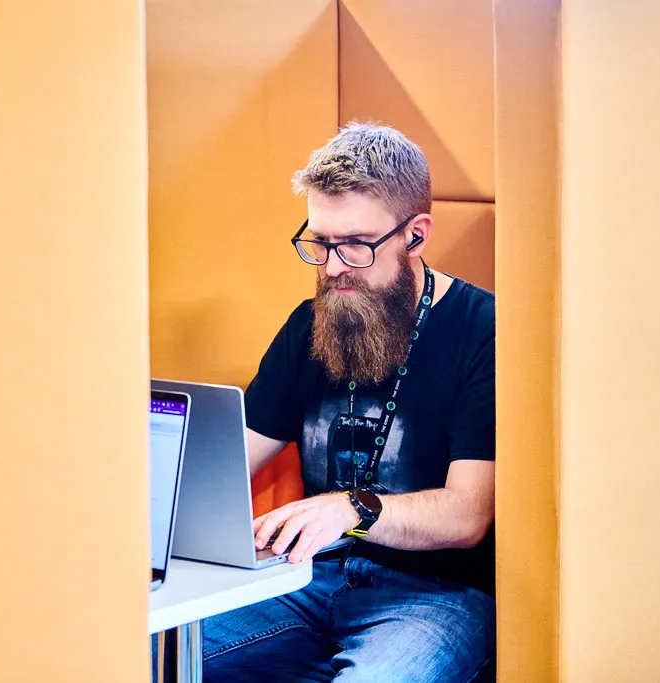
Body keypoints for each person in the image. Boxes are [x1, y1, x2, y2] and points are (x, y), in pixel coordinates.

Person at [202, 122, 496, 682]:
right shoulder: (308, 325)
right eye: (321, 243)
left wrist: (351, 508)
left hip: (437, 597)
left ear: (417, 233)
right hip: (305, 579)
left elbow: (468, 516)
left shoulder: (485, 328)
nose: (334, 266)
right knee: (141, 659)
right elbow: (227, 466)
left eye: (357, 244)